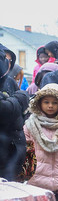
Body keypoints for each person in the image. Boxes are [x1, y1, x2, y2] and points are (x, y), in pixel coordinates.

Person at [0, 43, 30, 181]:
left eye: (9, 59)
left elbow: (20, 113)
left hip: (11, 152)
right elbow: (5, 110)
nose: (7, 63)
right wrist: (21, 98)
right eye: (4, 58)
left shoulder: (10, 82)